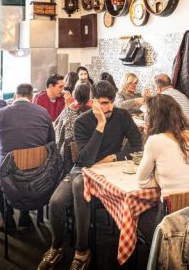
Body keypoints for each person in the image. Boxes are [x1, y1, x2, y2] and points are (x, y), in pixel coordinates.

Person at [38, 81, 143, 270]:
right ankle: (56, 247)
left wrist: (115, 157)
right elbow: (85, 160)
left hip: (110, 170)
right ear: (94, 102)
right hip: (82, 169)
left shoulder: (122, 116)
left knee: (80, 185)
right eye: (103, 103)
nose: (108, 108)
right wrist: (100, 125)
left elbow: (137, 144)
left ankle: (82, 251)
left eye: (111, 102)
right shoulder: (82, 121)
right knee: (56, 202)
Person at [136, 94, 189, 239]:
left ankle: (154, 252)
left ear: (154, 117)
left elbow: (142, 182)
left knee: (137, 216)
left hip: (172, 223)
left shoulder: (155, 141)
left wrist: (161, 179)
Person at [0, 83, 55, 232]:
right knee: (23, 167)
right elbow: (51, 141)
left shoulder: (0, 113)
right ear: (32, 97)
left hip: (9, 176)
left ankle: (7, 218)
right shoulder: (43, 113)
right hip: (38, 174)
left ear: (15, 96)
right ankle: (24, 215)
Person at [53, 82, 92, 172]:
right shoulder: (95, 112)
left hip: (69, 155)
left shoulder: (68, 111)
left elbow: (57, 128)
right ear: (89, 96)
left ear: (74, 95)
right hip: (90, 153)